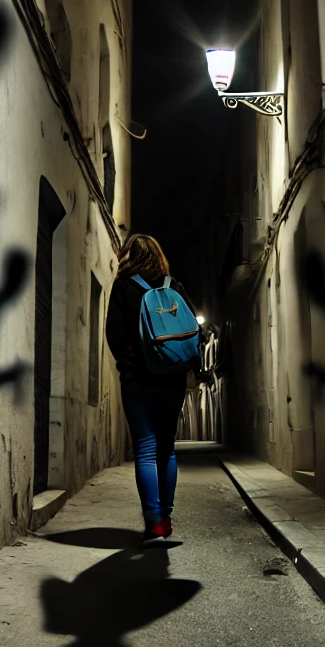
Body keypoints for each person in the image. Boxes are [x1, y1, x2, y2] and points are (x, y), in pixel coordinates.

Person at [105, 234, 196, 547]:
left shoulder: (123, 287)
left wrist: (130, 365)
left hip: (138, 382)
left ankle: (154, 522)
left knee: (145, 448)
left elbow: (114, 336)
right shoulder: (175, 287)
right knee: (166, 448)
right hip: (172, 380)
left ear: (128, 255)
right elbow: (189, 335)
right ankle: (167, 516)